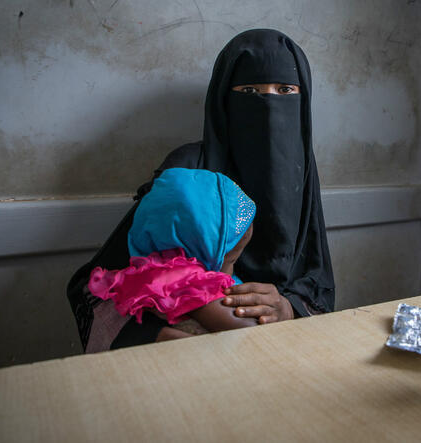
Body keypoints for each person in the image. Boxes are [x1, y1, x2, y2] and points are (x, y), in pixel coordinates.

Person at [67, 29, 335, 352]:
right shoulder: (188, 170)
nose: (268, 108)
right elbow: (95, 286)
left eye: (285, 90)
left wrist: (288, 308)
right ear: (224, 102)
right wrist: (152, 336)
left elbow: (317, 285)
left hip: (282, 357)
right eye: (250, 90)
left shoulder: (302, 173)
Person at [88, 168, 257, 338]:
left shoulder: (149, 268)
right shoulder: (182, 282)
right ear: (200, 251)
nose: (233, 268)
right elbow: (247, 328)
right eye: (233, 260)